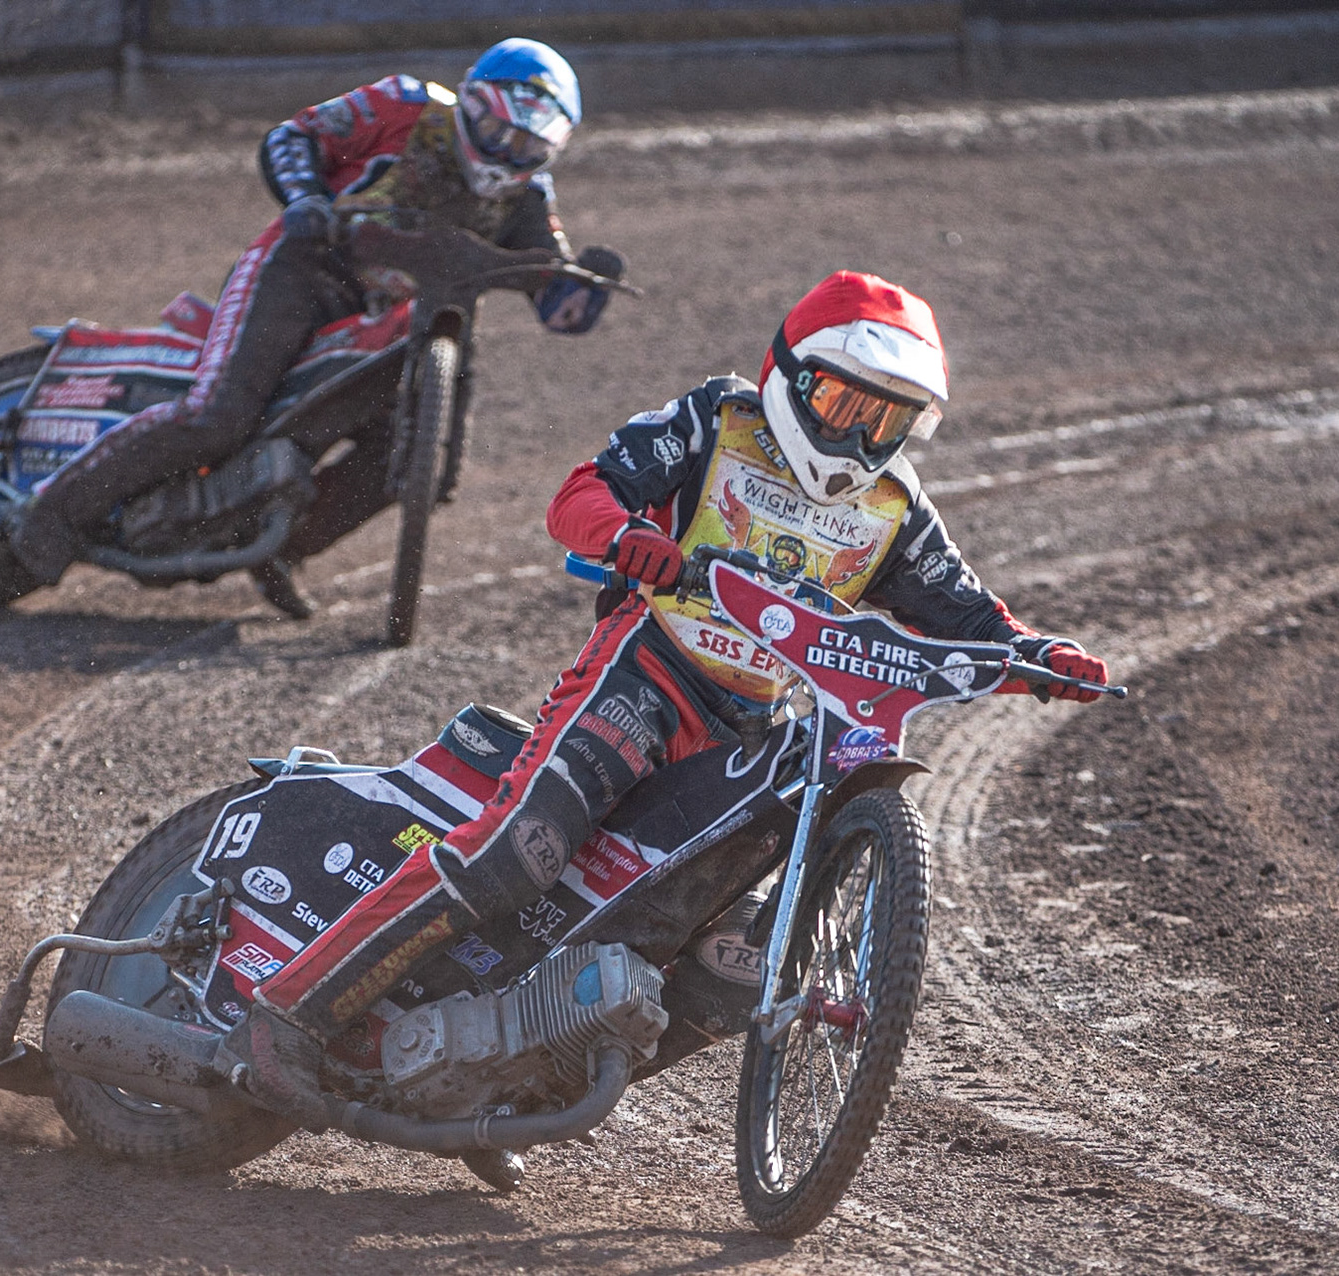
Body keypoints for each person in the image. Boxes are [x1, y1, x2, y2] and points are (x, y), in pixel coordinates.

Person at [215, 270, 1111, 1127]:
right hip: (643, 676)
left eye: (890, 420)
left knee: (729, 963)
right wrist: (632, 538)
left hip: (748, 733)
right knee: (518, 852)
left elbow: (970, 615)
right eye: (845, 405)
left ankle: (515, 1090)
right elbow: (580, 495)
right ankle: (283, 1017)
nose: (863, 438)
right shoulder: (717, 419)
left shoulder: (894, 506)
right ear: (793, 377)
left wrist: (1038, 656)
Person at [7, 38, 624, 611]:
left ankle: (282, 546)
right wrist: (305, 198)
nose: (506, 153)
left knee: (413, 466)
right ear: (471, 102)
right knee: (218, 416)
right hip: (302, 271)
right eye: (496, 129)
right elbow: (293, 135)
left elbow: (552, 294)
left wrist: (578, 290)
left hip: (391, 325)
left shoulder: (528, 202)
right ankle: (49, 516)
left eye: (527, 147)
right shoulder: (406, 105)